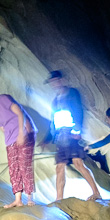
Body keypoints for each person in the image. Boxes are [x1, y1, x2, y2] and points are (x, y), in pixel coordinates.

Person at [44, 70, 102, 201]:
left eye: (55, 81)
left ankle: (96, 192)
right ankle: (59, 199)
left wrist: (77, 130)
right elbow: (53, 121)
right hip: (61, 137)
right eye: (52, 82)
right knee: (60, 166)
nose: (54, 84)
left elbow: (78, 111)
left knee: (78, 163)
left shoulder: (72, 93)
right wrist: (47, 139)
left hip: (71, 134)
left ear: (61, 80)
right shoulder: (55, 101)